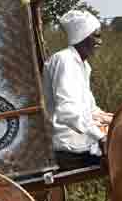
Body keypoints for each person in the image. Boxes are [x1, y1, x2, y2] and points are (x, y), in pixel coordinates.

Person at [42, 10, 114, 170]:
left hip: (81, 137)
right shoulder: (64, 60)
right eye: (96, 36)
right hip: (69, 142)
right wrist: (100, 137)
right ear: (83, 36)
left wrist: (114, 119)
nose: (100, 41)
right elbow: (67, 112)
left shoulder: (83, 65)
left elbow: (90, 109)